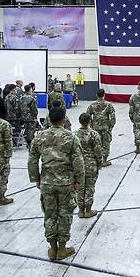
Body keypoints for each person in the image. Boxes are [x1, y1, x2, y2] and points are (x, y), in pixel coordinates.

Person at [28, 107, 85, 260]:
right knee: (65, 214)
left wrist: (36, 178)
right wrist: (79, 180)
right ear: (63, 119)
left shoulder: (39, 137)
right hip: (66, 182)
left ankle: (52, 249)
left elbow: (32, 159)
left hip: (47, 181)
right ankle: (62, 249)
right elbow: (78, 161)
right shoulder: (71, 137)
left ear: (49, 119)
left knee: (49, 214)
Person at [74, 113, 102, 218]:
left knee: (79, 187)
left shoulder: (74, 134)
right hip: (91, 164)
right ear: (89, 121)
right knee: (90, 187)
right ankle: (88, 210)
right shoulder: (93, 134)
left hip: (78, 164)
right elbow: (98, 150)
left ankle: (80, 210)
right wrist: (100, 162)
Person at [86, 89, 116, 166]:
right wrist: (110, 127)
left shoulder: (92, 105)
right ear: (104, 95)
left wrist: (91, 126)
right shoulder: (108, 105)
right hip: (106, 127)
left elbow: (87, 116)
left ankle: (97, 160)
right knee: (106, 143)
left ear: (96, 95)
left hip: (95, 127)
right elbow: (113, 117)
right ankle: (104, 160)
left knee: (96, 143)